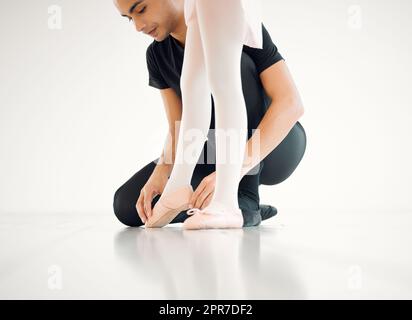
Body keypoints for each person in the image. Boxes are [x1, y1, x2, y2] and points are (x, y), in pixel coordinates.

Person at [112, 0, 306, 228]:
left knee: (238, 65)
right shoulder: (157, 54)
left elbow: (291, 103)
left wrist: (233, 171)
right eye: (129, 18)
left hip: (274, 147)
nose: (138, 26)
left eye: (141, 10)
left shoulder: (232, 20)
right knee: (126, 205)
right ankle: (213, 204)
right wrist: (163, 169)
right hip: (211, 147)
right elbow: (180, 124)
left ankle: (244, 199)